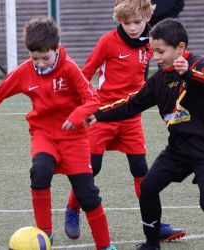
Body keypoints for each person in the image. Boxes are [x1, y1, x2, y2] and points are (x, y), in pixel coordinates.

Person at [87, 18, 204, 250]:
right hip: (178, 149)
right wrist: (97, 115)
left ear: (180, 48)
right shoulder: (158, 81)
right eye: (152, 51)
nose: (155, 56)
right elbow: (131, 104)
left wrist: (188, 74)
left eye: (160, 51)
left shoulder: (199, 64)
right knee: (148, 187)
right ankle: (152, 244)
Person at [0, 16, 116, 250]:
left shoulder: (70, 69)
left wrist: (75, 117)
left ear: (56, 49)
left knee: (87, 194)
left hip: (74, 139)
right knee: (40, 171)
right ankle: (45, 236)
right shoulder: (25, 72)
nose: (41, 63)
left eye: (46, 58)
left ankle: (105, 246)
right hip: (43, 134)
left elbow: (93, 99)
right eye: (35, 58)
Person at [63, 0, 185, 242]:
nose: (132, 27)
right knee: (91, 168)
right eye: (126, 22)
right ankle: (72, 209)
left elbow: (169, 58)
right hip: (102, 115)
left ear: (148, 16)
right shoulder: (107, 42)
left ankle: (154, 225)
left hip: (130, 117)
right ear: (118, 20)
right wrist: (77, 106)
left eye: (137, 22)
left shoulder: (152, 42)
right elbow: (85, 73)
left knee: (141, 170)